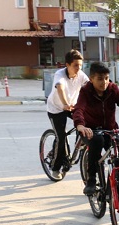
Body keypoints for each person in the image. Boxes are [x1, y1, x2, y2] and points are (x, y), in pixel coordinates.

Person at [73, 62, 119, 195]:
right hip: (90, 130)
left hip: (110, 130)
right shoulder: (86, 91)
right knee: (97, 141)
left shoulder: (113, 89)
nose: (104, 82)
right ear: (91, 79)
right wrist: (80, 125)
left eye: (107, 78)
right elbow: (79, 109)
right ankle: (91, 180)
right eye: (100, 79)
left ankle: (117, 195)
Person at [45, 49, 89, 179]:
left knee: (85, 123)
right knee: (61, 137)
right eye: (75, 65)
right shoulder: (60, 74)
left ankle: (79, 144)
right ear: (67, 65)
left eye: (80, 65)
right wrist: (65, 103)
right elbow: (61, 88)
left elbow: (89, 88)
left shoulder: (81, 75)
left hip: (72, 106)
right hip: (56, 109)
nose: (78, 68)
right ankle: (55, 167)